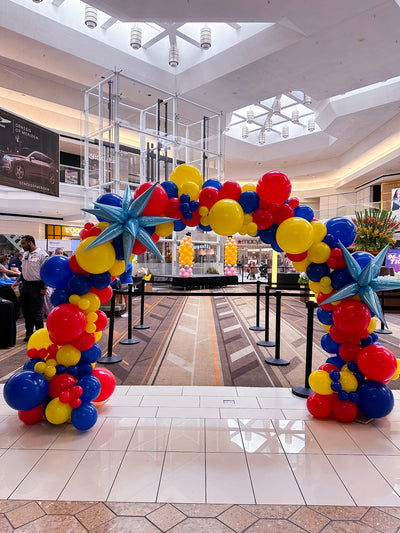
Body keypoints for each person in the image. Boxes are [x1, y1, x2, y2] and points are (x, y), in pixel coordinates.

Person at [12, 235, 48, 342]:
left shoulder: (42, 254)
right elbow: (24, 271)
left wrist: (44, 287)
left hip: (37, 286)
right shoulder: (25, 254)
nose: (22, 246)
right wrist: (17, 282)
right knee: (27, 312)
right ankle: (29, 334)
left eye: (23, 243)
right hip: (26, 286)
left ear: (30, 243)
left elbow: (46, 272)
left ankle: (40, 335)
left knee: (36, 312)